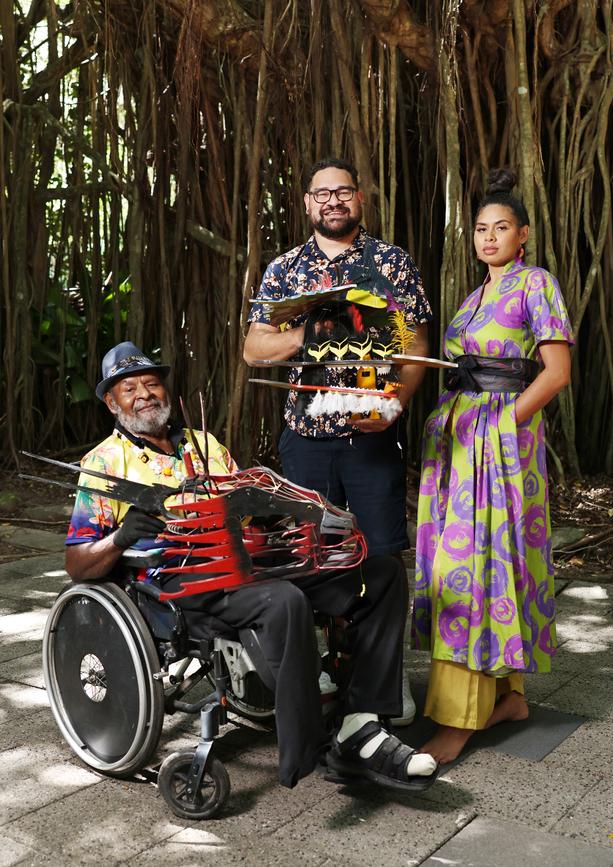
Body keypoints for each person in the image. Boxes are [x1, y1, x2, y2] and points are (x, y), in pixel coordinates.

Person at [66, 341, 437, 791]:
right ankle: (314, 746)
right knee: (283, 600)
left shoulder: (205, 445)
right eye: (130, 388)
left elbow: (245, 511)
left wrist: (277, 513)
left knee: (379, 573)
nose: (145, 394)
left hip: (251, 561)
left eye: (152, 383)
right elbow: (78, 563)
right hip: (186, 584)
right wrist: (122, 536)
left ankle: (360, 719)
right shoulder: (105, 463)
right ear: (112, 402)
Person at [244, 156, 433, 725]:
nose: (332, 202)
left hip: (372, 436)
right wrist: (316, 325)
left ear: (360, 198)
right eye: (321, 193)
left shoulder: (390, 263)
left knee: (379, 554)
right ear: (306, 203)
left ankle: (383, 675)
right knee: (307, 553)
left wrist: (397, 401)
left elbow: (416, 342)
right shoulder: (284, 270)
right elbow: (255, 349)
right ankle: (320, 666)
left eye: (343, 192)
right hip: (306, 436)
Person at [412, 169, 574, 764]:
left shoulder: (537, 285)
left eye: (500, 227)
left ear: (523, 234)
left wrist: (504, 425)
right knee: (477, 558)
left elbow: (555, 372)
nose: (488, 237)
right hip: (459, 443)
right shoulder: (474, 296)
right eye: (481, 228)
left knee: (472, 567)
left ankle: (457, 720)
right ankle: (509, 696)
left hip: (500, 448)